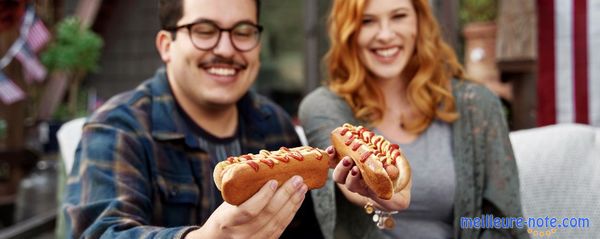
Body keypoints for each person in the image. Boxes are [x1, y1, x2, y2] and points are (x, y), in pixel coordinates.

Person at [62, 0, 324, 238]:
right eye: (204, 31)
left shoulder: (274, 124)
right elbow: (101, 232)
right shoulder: (117, 128)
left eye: (243, 32)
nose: (225, 49)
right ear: (166, 45)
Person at [299, 0, 530, 238]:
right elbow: (346, 174)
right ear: (348, 30)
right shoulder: (323, 106)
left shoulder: (477, 105)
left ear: (419, 21)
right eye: (367, 21)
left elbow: (506, 225)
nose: (385, 35)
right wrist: (379, 194)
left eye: (399, 16)